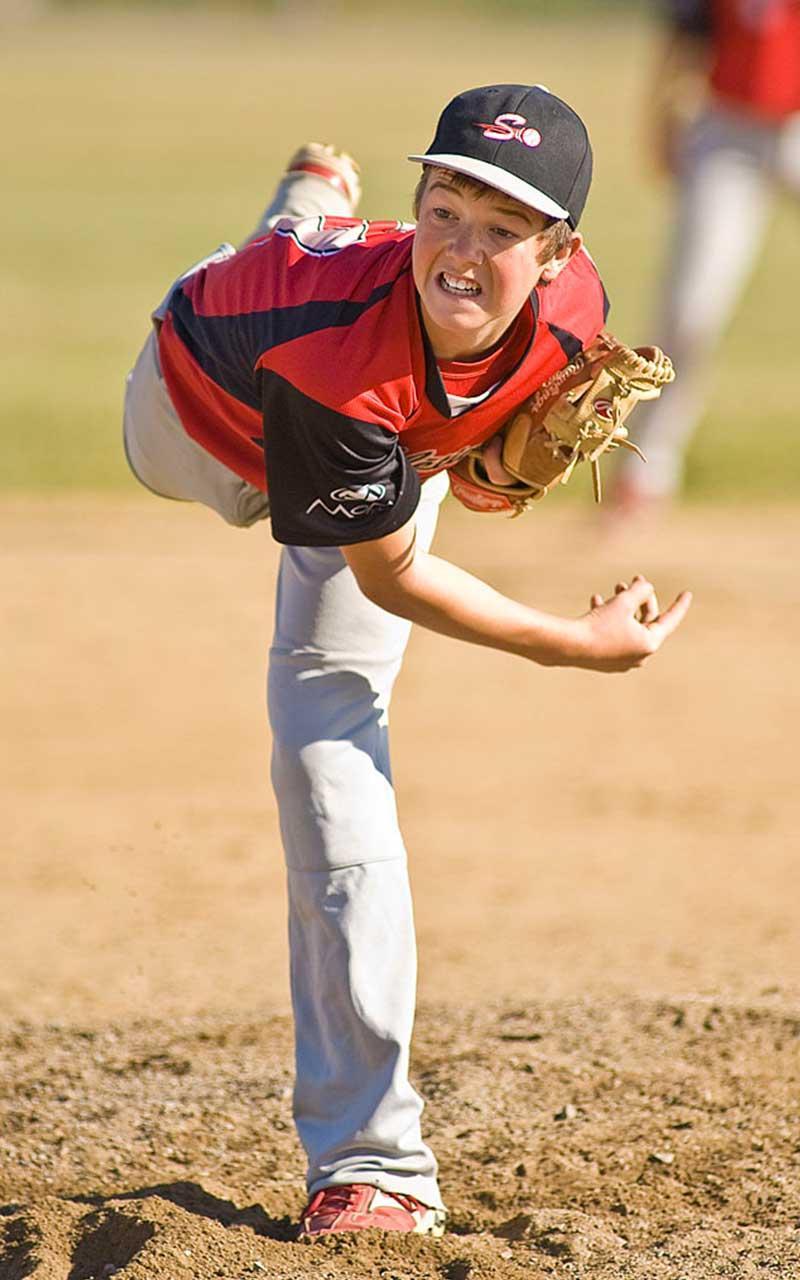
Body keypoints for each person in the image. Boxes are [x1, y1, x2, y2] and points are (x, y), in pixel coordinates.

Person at [123, 84, 691, 1240]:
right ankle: (307, 210)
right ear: (418, 201)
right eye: (443, 208)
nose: (462, 249)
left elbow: (475, 466)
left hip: (365, 443)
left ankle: (371, 1164)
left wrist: (485, 463)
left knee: (326, 741)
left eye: (500, 226)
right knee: (292, 269)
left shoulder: (577, 311)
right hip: (197, 410)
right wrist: (574, 643)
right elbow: (392, 575)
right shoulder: (341, 358)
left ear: (559, 249)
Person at [610, 0, 800, 516]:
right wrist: (662, 111)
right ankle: (643, 475)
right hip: (730, 130)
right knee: (690, 309)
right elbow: (685, 32)